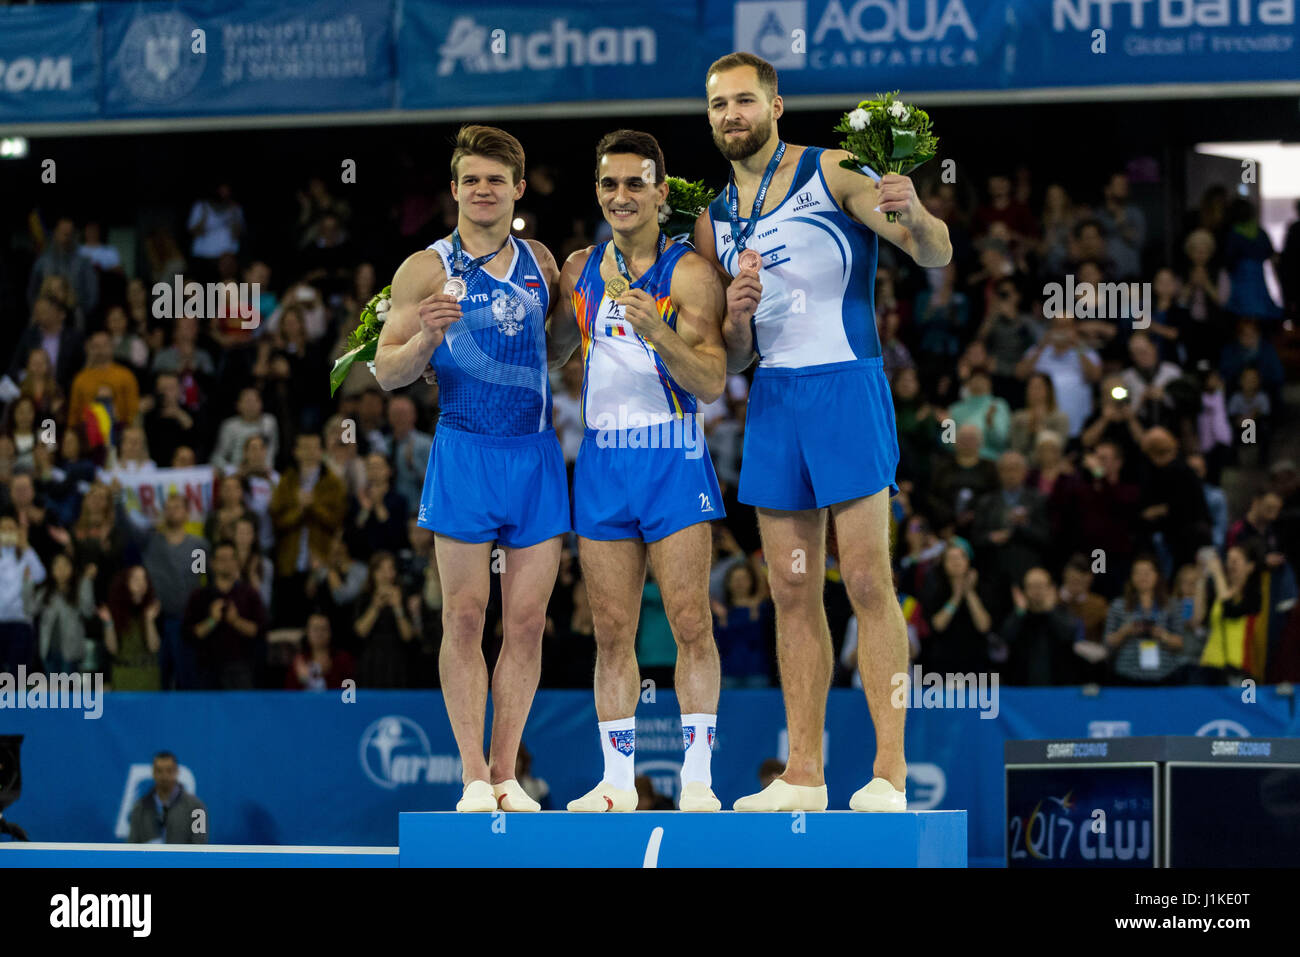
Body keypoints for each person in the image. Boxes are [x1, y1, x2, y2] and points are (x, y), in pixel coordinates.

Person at [696, 52, 952, 813]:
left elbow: (932, 251)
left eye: (744, 101)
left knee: (870, 581)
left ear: (776, 106)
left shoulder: (832, 169)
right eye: (717, 106)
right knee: (791, 588)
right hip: (773, 401)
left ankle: (890, 772)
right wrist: (737, 318)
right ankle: (803, 770)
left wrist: (913, 210)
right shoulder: (712, 216)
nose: (731, 115)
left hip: (845, 384)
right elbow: (736, 356)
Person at [373, 125, 565, 813]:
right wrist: (425, 333)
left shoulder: (542, 263)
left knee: (527, 622)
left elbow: (560, 348)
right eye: (472, 180)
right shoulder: (423, 269)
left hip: (535, 454)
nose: (484, 190)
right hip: (462, 452)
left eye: (497, 180)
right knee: (462, 615)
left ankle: (508, 772)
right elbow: (388, 372)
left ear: (517, 188)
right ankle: (472, 776)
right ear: (454, 190)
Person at [546, 130, 727, 812]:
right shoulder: (577, 269)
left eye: (635, 184)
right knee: (612, 626)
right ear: (599, 191)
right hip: (601, 459)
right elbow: (555, 348)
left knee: (688, 620)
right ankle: (617, 784)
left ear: (659, 191)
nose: (621, 196)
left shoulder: (688, 275)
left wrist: (657, 330)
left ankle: (699, 779)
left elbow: (711, 380)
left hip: (673, 452)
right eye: (610, 184)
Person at [182, 541, 266, 689]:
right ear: (213, 563)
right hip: (207, 669)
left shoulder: (249, 594)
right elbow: (190, 635)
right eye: (222, 559)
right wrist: (212, 621)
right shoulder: (200, 596)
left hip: (242, 668)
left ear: (237, 562)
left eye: (231, 558)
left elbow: (259, 631)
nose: (227, 563)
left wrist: (236, 621)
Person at [1103, 556, 1187, 685]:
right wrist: (1125, 632)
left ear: (1157, 575)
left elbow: (1180, 643)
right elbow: (1107, 642)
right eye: (1138, 572)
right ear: (1131, 576)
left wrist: (1162, 635)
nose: (1143, 577)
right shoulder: (1118, 605)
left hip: (1164, 674)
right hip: (1127, 673)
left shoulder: (1172, 605)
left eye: (1147, 572)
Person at [0, 510, 47, 674]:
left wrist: (26, 546)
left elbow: (41, 576)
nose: (7, 533)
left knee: (17, 673)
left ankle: (15, 699)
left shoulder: (25, 555)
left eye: (11, 529)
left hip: (21, 620)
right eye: (3, 530)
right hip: (1, 619)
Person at [126, 752, 208, 844]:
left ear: (177, 772)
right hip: (150, 858)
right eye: (159, 771)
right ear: (153, 773)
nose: (164, 776)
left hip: (182, 858)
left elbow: (200, 843)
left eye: (169, 770)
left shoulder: (196, 807)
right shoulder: (139, 807)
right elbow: (132, 844)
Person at [104, 565, 162, 690]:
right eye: (136, 579)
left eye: (144, 579)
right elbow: (113, 649)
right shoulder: (115, 610)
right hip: (123, 673)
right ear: (126, 582)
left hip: (148, 674)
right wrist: (109, 623)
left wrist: (149, 621)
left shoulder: (153, 608)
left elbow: (154, 647)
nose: (141, 583)